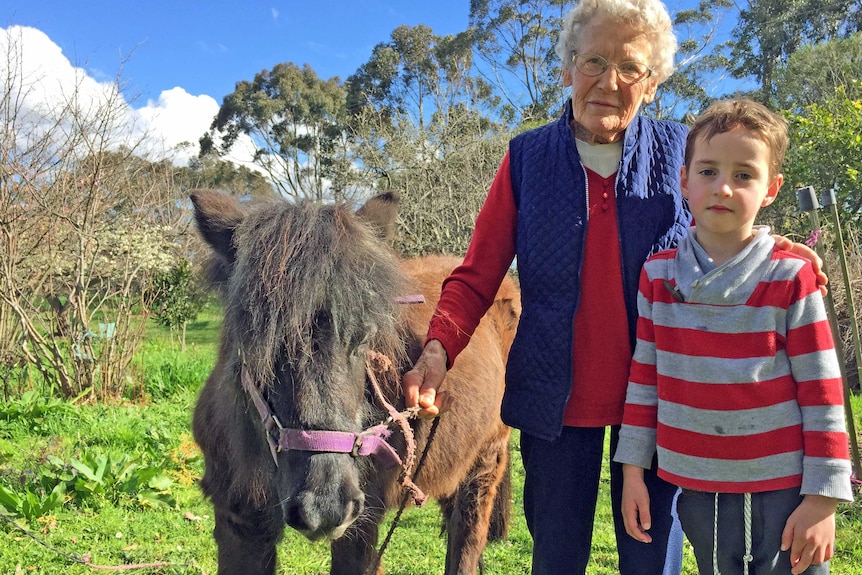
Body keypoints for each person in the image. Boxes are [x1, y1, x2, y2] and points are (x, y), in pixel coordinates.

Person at [402, 1, 825, 573]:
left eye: (631, 68)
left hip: (663, 400)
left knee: (652, 559)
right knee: (556, 556)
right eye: (594, 61)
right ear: (567, 68)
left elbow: (729, 223)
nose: (609, 81)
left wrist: (780, 249)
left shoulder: (684, 153)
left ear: (652, 84)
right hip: (556, 401)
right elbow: (478, 274)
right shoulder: (526, 159)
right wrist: (437, 349)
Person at [614, 98, 853, 575]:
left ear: (771, 189)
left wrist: (823, 499)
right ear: (683, 181)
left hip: (784, 489)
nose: (722, 187)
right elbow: (644, 381)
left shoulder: (790, 275)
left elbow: (823, 391)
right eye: (707, 171)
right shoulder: (657, 277)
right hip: (697, 486)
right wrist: (633, 473)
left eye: (744, 174)